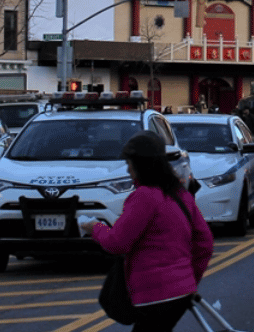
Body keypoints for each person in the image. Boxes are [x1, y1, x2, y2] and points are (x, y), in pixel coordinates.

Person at [83, 132, 214, 332]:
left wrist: (95, 228)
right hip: (181, 292)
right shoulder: (181, 195)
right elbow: (204, 243)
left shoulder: (144, 197)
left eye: (129, 164)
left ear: (140, 165)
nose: (128, 170)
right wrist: (188, 281)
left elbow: (117, 242)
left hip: (154, 295)